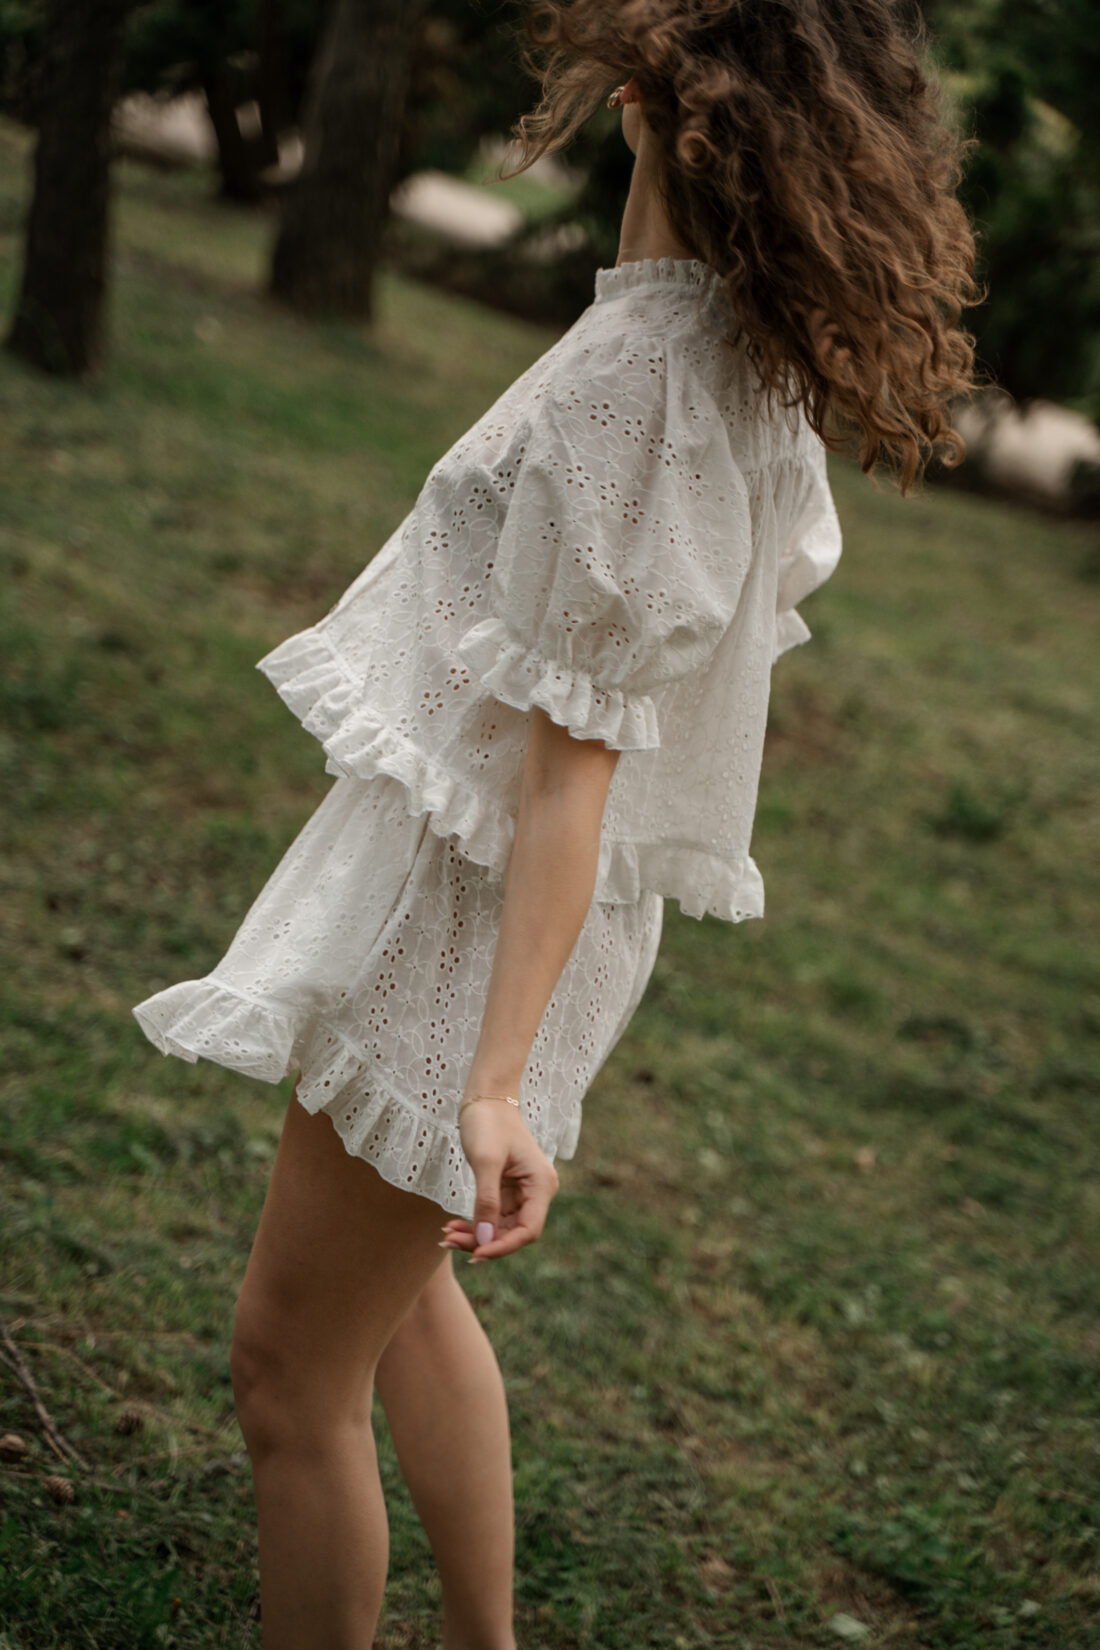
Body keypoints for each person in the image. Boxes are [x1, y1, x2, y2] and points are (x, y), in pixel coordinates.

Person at [132, 2, 977, 1645]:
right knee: (396, 1302)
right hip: (503, 892)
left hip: (481, 917)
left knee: (288, 1372)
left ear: (656, 85)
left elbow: (575, 768)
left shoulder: (642, 385)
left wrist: (495, 1081)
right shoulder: (727, 356)